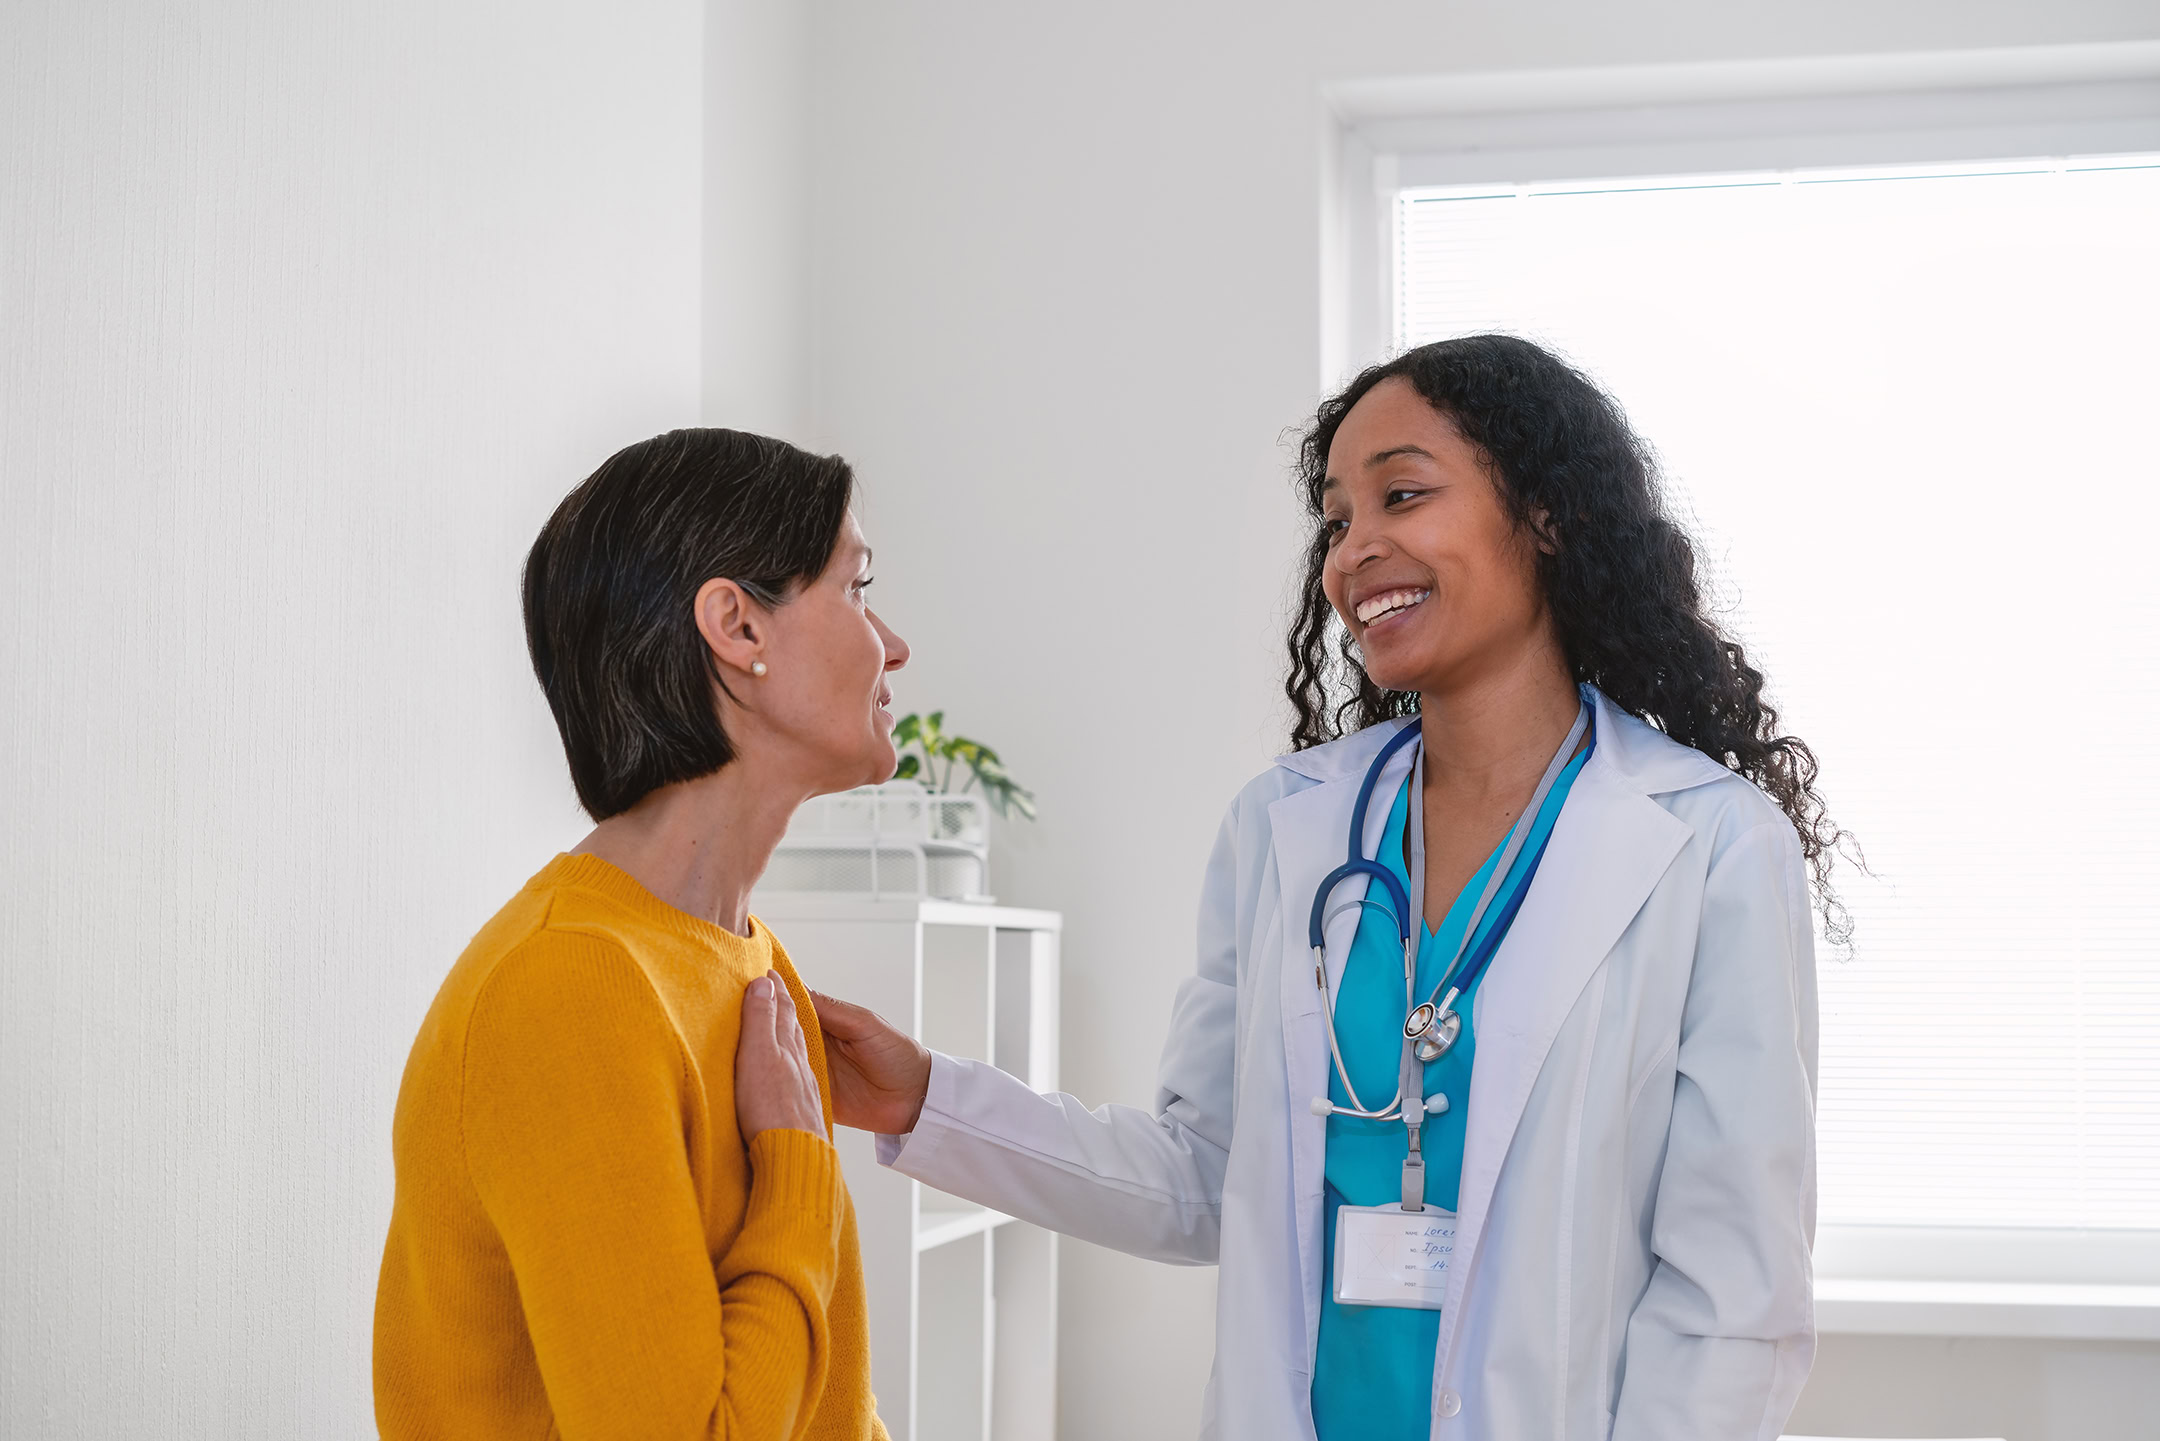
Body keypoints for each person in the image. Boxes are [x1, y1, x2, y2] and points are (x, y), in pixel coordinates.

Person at [813, 336, 1837, 1441]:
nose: (1356, 552)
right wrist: (927, 1098)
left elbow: (1732, 1291)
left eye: (1402, 494)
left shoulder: (1707, 844)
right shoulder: (1285, 827)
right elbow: (1204, 1176)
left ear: (1549, 515)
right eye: (1338, 520)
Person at [374, 429, 908, 1441]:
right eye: (859, 586)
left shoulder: (752, 960)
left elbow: (831, 1406)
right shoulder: (567, 989)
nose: (894, 643)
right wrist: (795, 1165)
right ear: (736, 625)